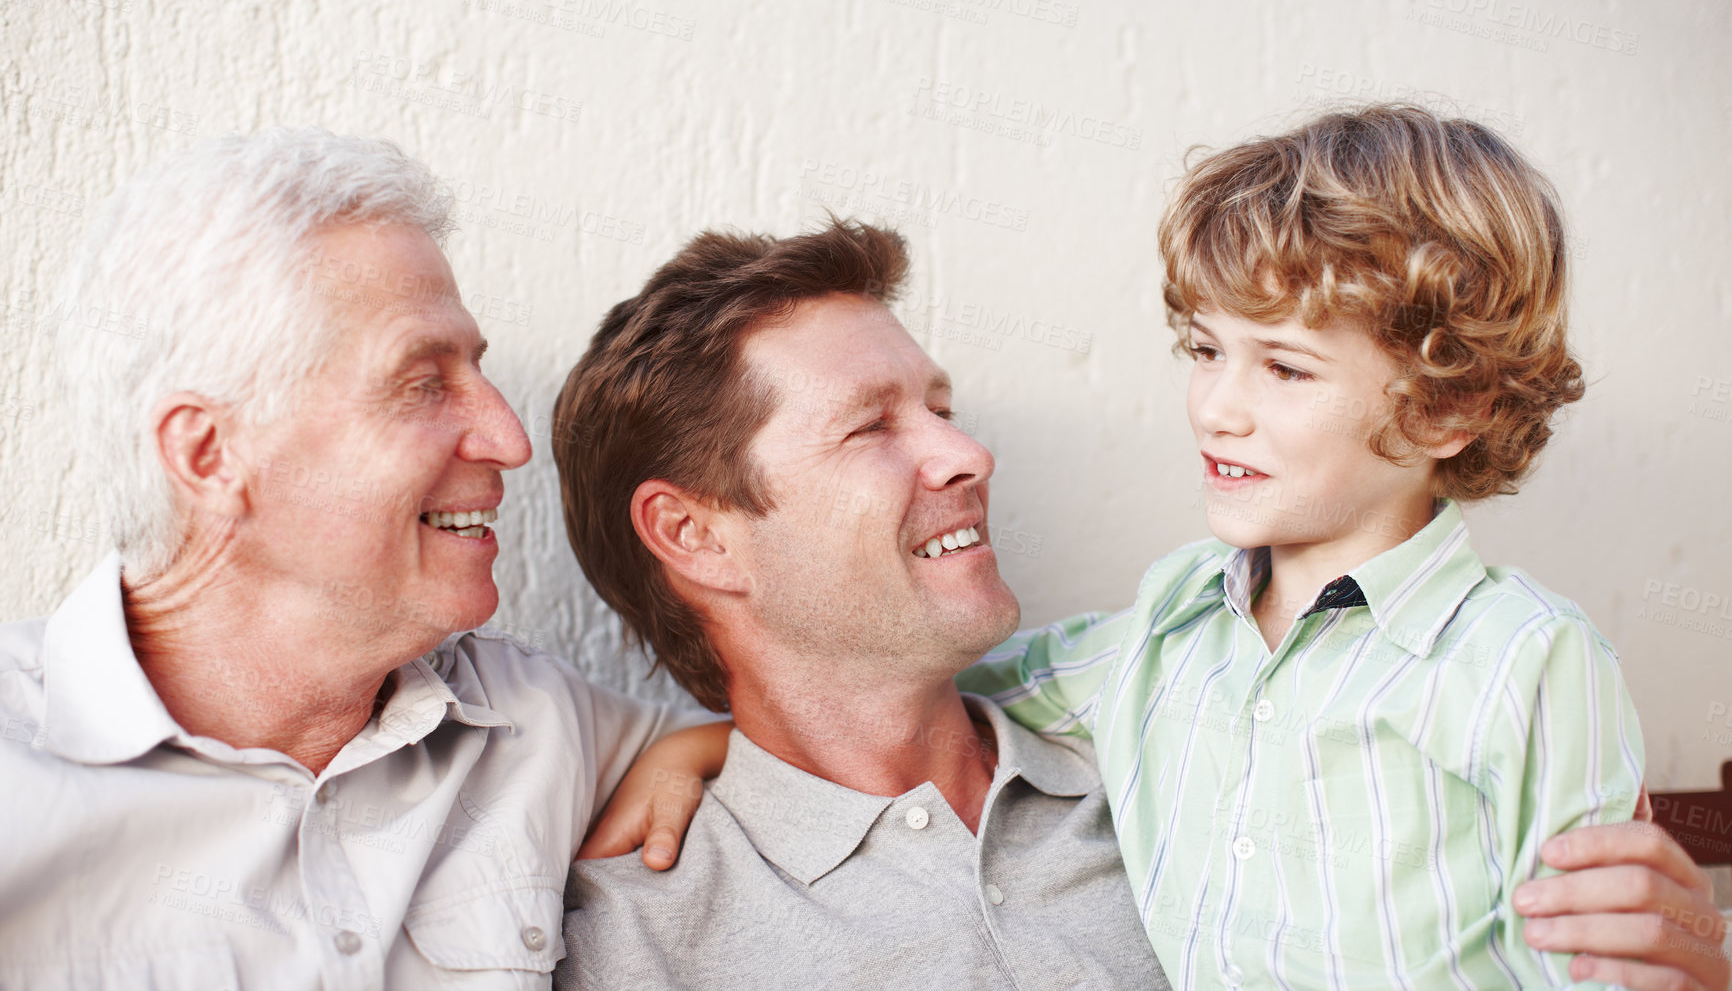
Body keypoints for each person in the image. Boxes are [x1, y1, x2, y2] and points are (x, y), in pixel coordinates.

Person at [553, 218, 1729, 990]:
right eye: (874, 423)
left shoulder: (1189, 746)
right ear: (694, 534)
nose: (968, 452)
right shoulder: (640, 931)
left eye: (943, 405)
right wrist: (718, 748)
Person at [957, 105, 1730, 989]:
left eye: (1284, 367)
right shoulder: (1170, 618)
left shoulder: (1531, 660)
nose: (1215, 408)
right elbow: (963, 686)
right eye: (1206, 349)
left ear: (1446, 408)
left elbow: (1597, 966)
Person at [0, 129, 720, 987]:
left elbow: (810, 749)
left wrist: (694, 751)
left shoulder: (538, 725)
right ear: (209, 456)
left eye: (475, 370)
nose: (510, 439)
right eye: (422, 382)